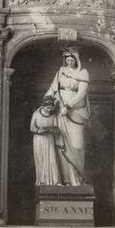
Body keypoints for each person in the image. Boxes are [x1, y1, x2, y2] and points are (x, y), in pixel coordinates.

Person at [46, 47, 90, 186]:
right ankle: (67, 179)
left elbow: (81, 93)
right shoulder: (61, 71)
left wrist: (68, 106)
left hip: (75, 111)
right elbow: (53, 88)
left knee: (77, 145)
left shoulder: (83, 72)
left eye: (72, 60)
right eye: (67, 60)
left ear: (77, 60)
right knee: (61, 144)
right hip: (60, 109)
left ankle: (78, 178)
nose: (69, 62)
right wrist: (47, 98)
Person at [30, 95, 61, 186]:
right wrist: (38, 131)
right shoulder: (36, 114)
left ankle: (55, 181)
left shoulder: (53, 115)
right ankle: (42, 180)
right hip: (39, 140)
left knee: (52, 160)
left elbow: (57, 129)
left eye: (51, 107)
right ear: (44, 106)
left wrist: (51, 130)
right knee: (41, 159)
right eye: (48, 107)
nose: (49, 109)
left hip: (49, 139)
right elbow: (32, 127)